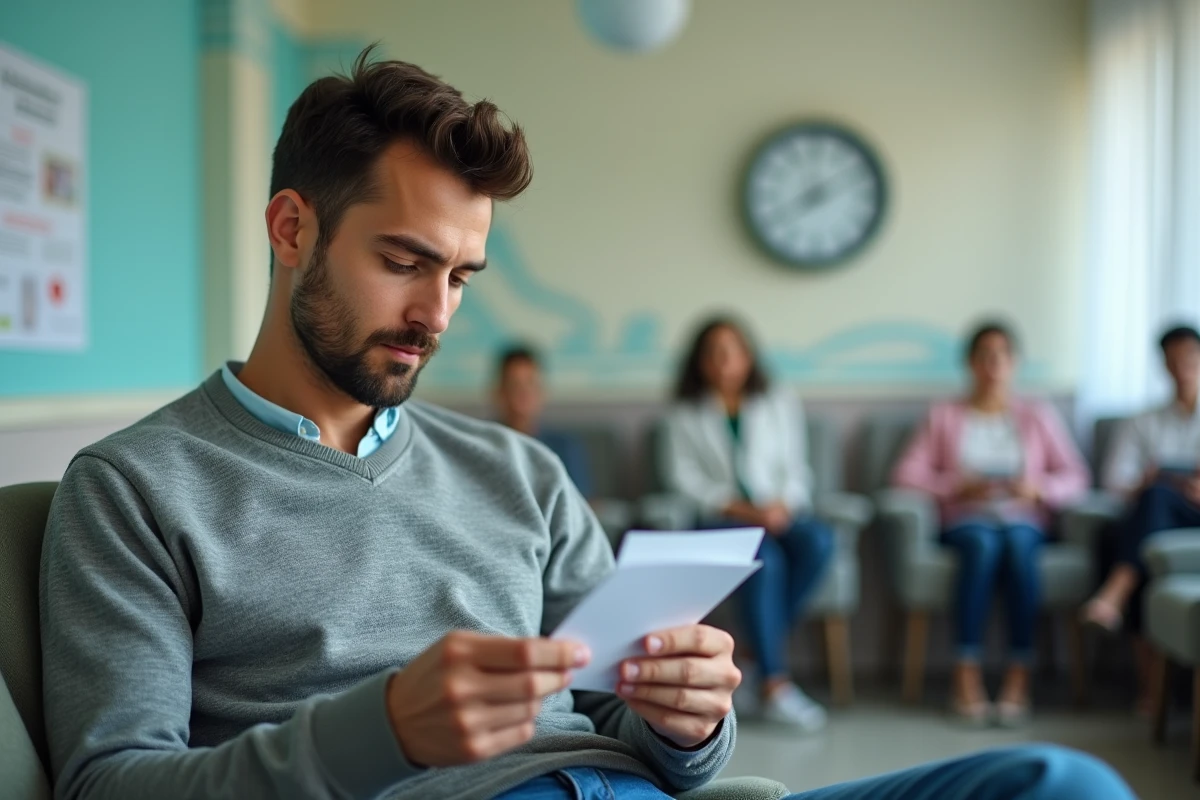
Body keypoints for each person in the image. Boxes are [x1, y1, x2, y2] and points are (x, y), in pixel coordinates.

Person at [37, 48, 1133, 800]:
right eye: (404, 262)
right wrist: (383, 731)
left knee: (1061, 782)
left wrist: (687, 722)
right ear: (291, 229)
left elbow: (622, 716)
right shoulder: (136, 488)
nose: (436, 316)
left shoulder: (518, 473)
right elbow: (111, 784)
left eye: (461, 276)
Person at [892, 322, 1090, 726]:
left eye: (1001, 356)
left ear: (1014, 363)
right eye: (984, 356)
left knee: (1017, 544)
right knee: (982, 544)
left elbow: (1077, 477)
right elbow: (904, 475)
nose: (993, 365)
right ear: (970, 363)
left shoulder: (1037, 415)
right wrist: (957, 486)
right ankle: (966, 673)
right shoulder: (944, 415)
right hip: (967, 519)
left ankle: (1020, 674)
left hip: (1023, 518)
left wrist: (1038, 489)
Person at [659, 316, 833, 733]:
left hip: (776, 512)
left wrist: (781, 506)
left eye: (731, 351)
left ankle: (752, 656)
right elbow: (682, 479)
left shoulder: (777, 401)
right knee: (764, 560)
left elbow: (795, 468)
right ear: (700, 362)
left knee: (820, 542)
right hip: (719, 520)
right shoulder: (684, 411)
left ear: (748, 356)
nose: (724, 361)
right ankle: (775, 685)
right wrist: (740, 509)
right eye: (713, 353)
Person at [1082, 324, 1200, 712]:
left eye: (1190, 357)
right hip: (1156, 520)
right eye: (1173, 359)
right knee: (1149, 506)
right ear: (1163, 365)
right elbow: (1113, 482)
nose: (1182, 366)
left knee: (1142, 526)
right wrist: (1143, 482)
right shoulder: (1142, 422)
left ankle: (1114, 594)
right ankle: (1151, 685)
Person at [494, 345, 594, 498]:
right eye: (514, 385)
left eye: (530, 383)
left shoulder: (565, 447)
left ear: (542, 391)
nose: (524, 392)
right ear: (500, 392)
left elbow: (580, 502)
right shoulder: (483, 445)